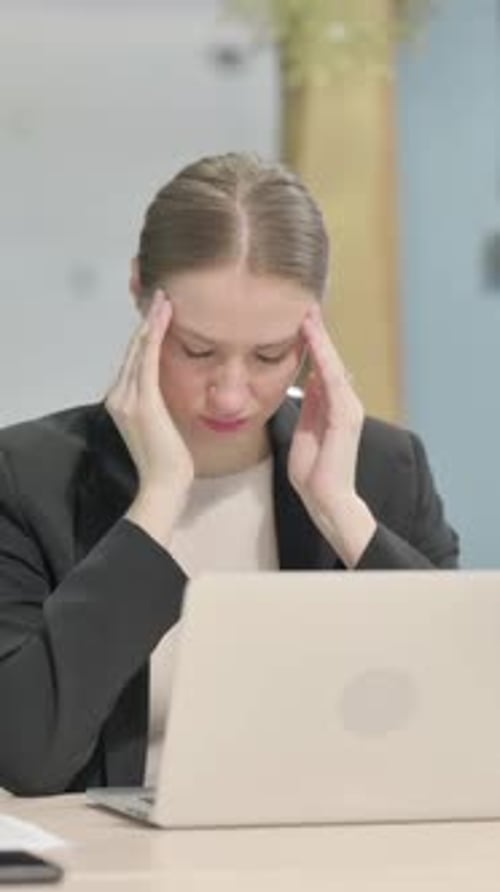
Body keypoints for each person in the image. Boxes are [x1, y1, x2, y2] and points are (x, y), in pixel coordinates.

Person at [0, 152, 459, 796]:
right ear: (139, 291)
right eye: (197, 350)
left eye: (271, 355)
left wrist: (340, 510)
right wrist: (157, 502)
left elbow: (466, 726)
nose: (231, 396)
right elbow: (27, 756)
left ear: (312, 330)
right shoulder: (27, 477)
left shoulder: (384, 468)